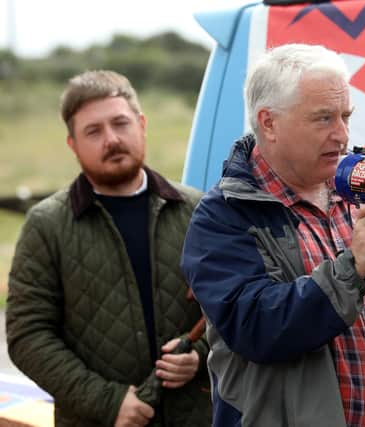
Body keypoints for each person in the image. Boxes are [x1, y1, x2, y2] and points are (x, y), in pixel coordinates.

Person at [179, 43, 365, 427]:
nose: (342, 134)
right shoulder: (223, 216)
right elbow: (256, 329)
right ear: (269, 122)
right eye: (324, 119)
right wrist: (353, 267)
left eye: (346, 116)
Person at [5, 70, 212, 427]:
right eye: (93, 131)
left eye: (120, 123)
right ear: (72, 144)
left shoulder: (198, 211)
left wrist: (200, 355)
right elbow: (27, 335)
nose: (111, 139)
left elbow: (233, 305)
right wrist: (106, 401)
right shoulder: (47, 224)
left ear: (141, 124)